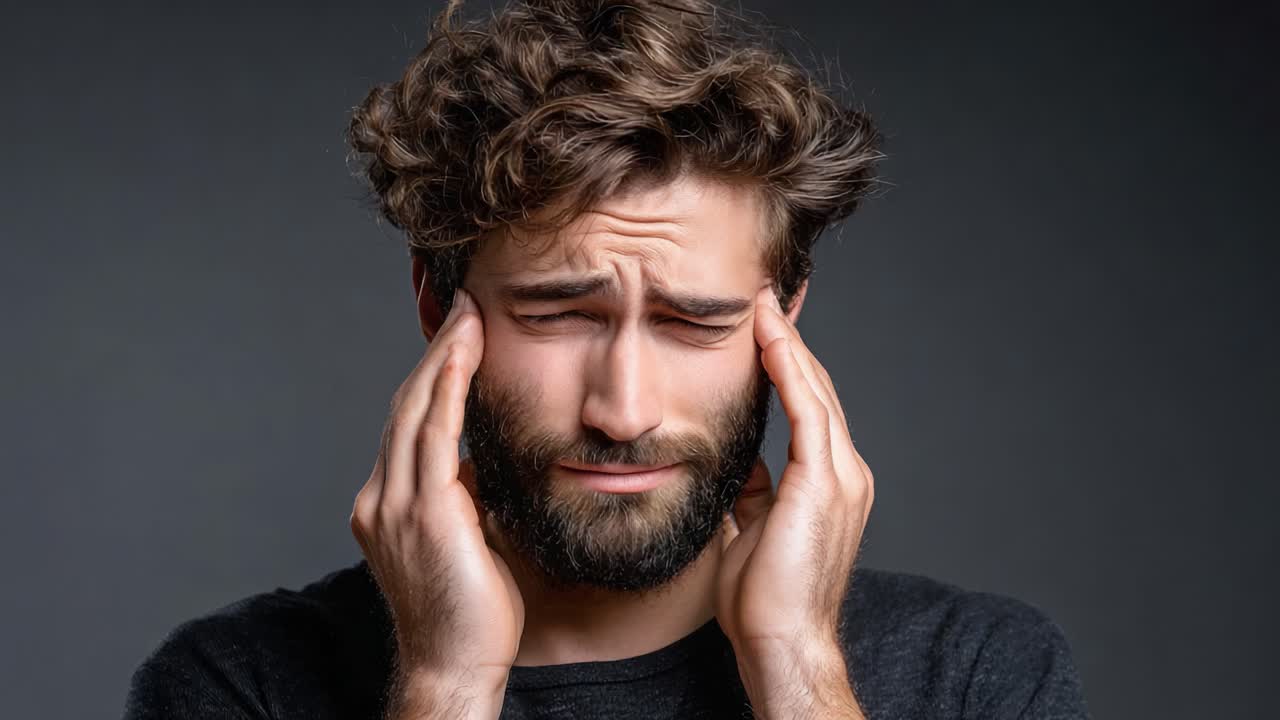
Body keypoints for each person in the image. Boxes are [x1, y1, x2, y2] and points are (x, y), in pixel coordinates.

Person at [123, 0, 1090, 717]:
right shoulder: (235, 685)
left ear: (784, 316)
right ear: (436, 302)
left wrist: (797, 665)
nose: (622, 412)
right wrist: (446, 685)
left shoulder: (976, 675)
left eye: (694, 323)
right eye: (559, 315)